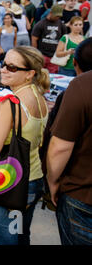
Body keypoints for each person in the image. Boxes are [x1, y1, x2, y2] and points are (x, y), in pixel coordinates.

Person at [0, 46, 49, 245]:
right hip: (33, 181)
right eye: (3, 64)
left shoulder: (10, 103)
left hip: (9, 184)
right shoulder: (39, 96)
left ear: (29, 74)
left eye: (12, 67)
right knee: (21, 235)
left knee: (5, 240)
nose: (3, 70)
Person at [46, 37, 92, 245]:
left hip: (81, 195)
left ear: (75, 63)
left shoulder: (81, 86)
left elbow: (60, 148)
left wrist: (53, 182)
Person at [32, 4, 67, 73]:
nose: (58, 17)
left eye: (59, 16)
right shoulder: (41, 24)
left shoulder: (61, 25)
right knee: (39, 74)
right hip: (42, 55)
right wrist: (36, 54)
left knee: (53, 77)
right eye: (56, 16)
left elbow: (64, 39)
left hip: (54, 57)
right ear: (51, 13)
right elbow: (34, 39)